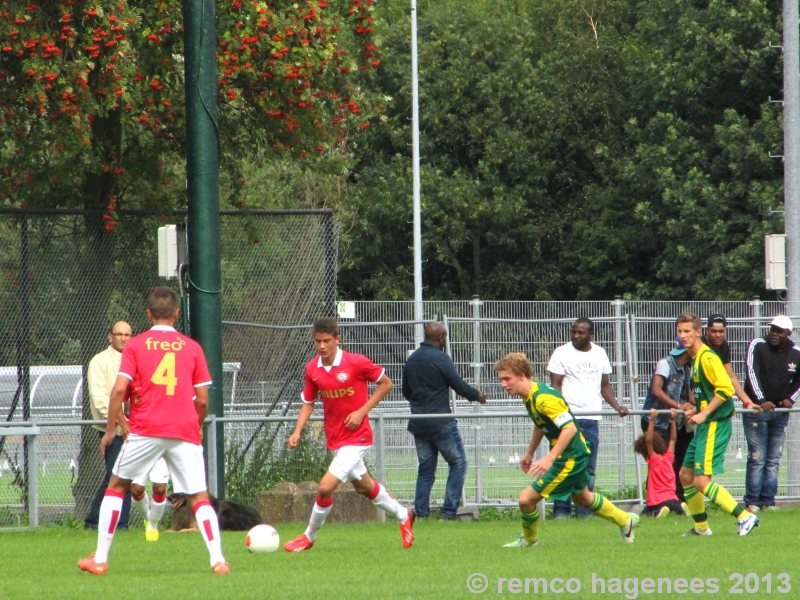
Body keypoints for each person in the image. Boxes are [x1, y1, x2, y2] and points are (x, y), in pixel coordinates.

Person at [78, 286, 228, 575]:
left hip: (146, 428)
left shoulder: (135, 346)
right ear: (176, 313)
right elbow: (204, 399)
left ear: (148, 313)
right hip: (183, 429)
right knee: (199, 496)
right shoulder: (192, 347)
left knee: (117, 486)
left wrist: (111, 429)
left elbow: (120, 389)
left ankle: (100, 559)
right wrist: (196, 428)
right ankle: (218, 560)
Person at [283, 317, 415, 552]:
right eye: (317, 342)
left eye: (326, 341)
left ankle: (308, 537)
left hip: (358, 437)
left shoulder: (356, 363)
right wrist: (297, 431)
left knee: (325, 487)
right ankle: (404, 515)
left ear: (337, 339)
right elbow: (309, 402)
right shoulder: (312, 368)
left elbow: (386, 383)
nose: (322, 346)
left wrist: (362, 411)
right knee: (364, 487)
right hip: (335, 438)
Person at [495, 352, 638, 547]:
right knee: (583, 498)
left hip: (570, 457)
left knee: (526, 500)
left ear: (521, 376)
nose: (503, 384)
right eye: (501, 379)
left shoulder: (544, 398)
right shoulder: (530, 396)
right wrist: (530, 452)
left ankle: (529, 540)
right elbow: (540, 423)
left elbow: (570, 428)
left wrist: (550, 458)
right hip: (571, 454)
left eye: (506, 379)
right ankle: (625, 520)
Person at [676, 311, 758, 537]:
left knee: (701, 481)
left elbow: (725, 390)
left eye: (687, 331)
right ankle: (701, 528)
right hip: (705, 423)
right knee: (685, 475)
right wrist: (697, 409)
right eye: (680, 331)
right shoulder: (694, 358)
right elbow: (709, 393)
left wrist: (705, 414)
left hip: (714, 425)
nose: (683, 336)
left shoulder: (708, 357)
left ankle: (745, 516)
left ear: (697, 332)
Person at [402, 321, 487, 520]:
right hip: (441, 422)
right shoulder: (442, 359)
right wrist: (477, 395)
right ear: (441, 338)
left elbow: (406, 391)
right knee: (458, 464)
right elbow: (459, 385)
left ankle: (421, 514)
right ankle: (448, 512)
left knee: (425, 470)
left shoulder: (412, 359)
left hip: (419, 422)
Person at [546, 317, 629, 518]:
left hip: (592, 418)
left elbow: (605, 385)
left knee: (588, 467)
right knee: (562, 464)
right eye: (574, 331)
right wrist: (560, 411)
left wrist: (617, 406)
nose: (576, 335)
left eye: (581, 332)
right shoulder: (561, 352)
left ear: (590, 334)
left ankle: (585, 511)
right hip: (566, 420)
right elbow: (556, 384)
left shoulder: (600, 353)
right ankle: (561, 511)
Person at [742, 315, 800, 512]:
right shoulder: (757, 345)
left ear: (788, 333)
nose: (774, 334)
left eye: (779, 331)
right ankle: (752, 501)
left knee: (773, 458)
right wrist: (760, 400)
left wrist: (791, 398)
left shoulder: (796, 353)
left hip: (780, 413)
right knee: (757, 457)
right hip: (757, 412)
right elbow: (751, 372)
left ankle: (768, 500)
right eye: (772, 329)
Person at [84, 321, 133, 531]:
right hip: (111, 429)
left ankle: (100, 522)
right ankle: (108, 523)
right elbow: (101, 399)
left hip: (136, 427)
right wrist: (120, 421)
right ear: (110, 336)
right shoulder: (99, 361)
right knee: (118, 475)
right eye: (119, 334)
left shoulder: (135, 358)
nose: (123, 338)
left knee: (123, 475)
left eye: (127, 335)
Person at [640, 340, 694, 501]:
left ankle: (677, 500)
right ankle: (655, 501)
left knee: (679, 461)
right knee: (657, 463)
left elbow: (690, 395)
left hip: (676, 422)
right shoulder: (665, 364)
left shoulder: (688, 369)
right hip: (656, 422)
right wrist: (678, 406)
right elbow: (656, 390)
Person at [634, 408, 684, 517]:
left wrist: (652, 420)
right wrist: (673, 421)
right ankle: (681, 508)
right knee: (676, 507)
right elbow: (672, 440)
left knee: (644, 515)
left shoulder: (653, 460)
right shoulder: (668, 458)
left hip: (657, 501)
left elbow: (648, 441)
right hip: (673, 499)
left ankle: (658, 512)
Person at [703, 313, 756, 410]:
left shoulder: (724, 346)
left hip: (715, 400)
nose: (718, 335)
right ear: (707, 330)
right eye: (714, 331)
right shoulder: (700, 345)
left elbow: (731, 377)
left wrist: (748, 403)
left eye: (721, 331)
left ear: (726, 331)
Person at [131, 457, 170, 542]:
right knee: (137, 490)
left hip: (161, 449)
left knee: (160, 489)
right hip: (140, 449)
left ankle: (152, 527)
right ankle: (147, 518)